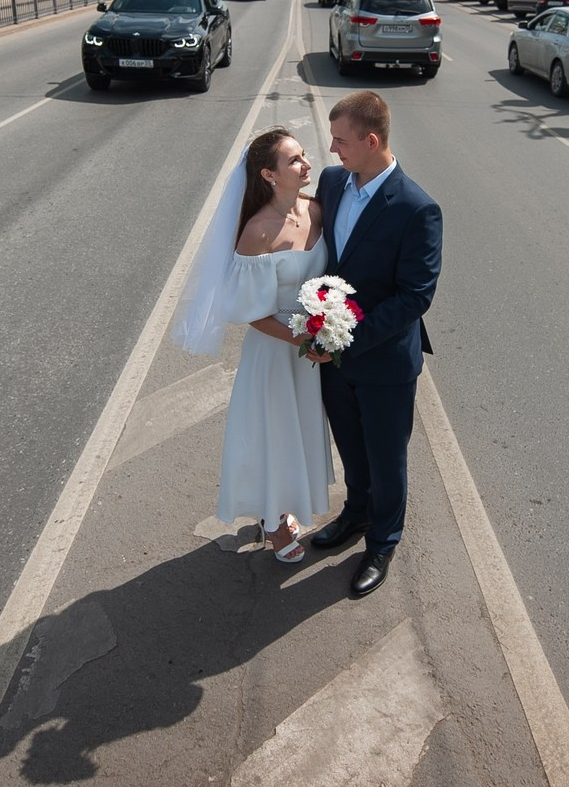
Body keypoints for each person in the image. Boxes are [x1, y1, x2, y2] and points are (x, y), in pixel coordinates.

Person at [173, 128, 334, 564]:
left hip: (311, 352)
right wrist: (302, 338)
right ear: (268, 174)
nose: (306, 164)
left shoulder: (317, 211)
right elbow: (250, 313)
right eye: (295, 160)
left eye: (304, 155)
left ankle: (288, 507)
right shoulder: (257, 233)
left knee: (298, 432)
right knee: (274, 435)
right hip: (275, 352)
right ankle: (274, 521)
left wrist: (329, 328)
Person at [309, 91, 443, 599]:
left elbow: (415, 297)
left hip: (383, 360)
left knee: (388, 458)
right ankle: (356, 515)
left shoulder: (417, 208)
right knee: (352, 447)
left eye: (341, 140)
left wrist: (344, 337)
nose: (332, 148)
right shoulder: (331, 181)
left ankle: (383, 542)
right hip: (333, 359)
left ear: (371, 140)